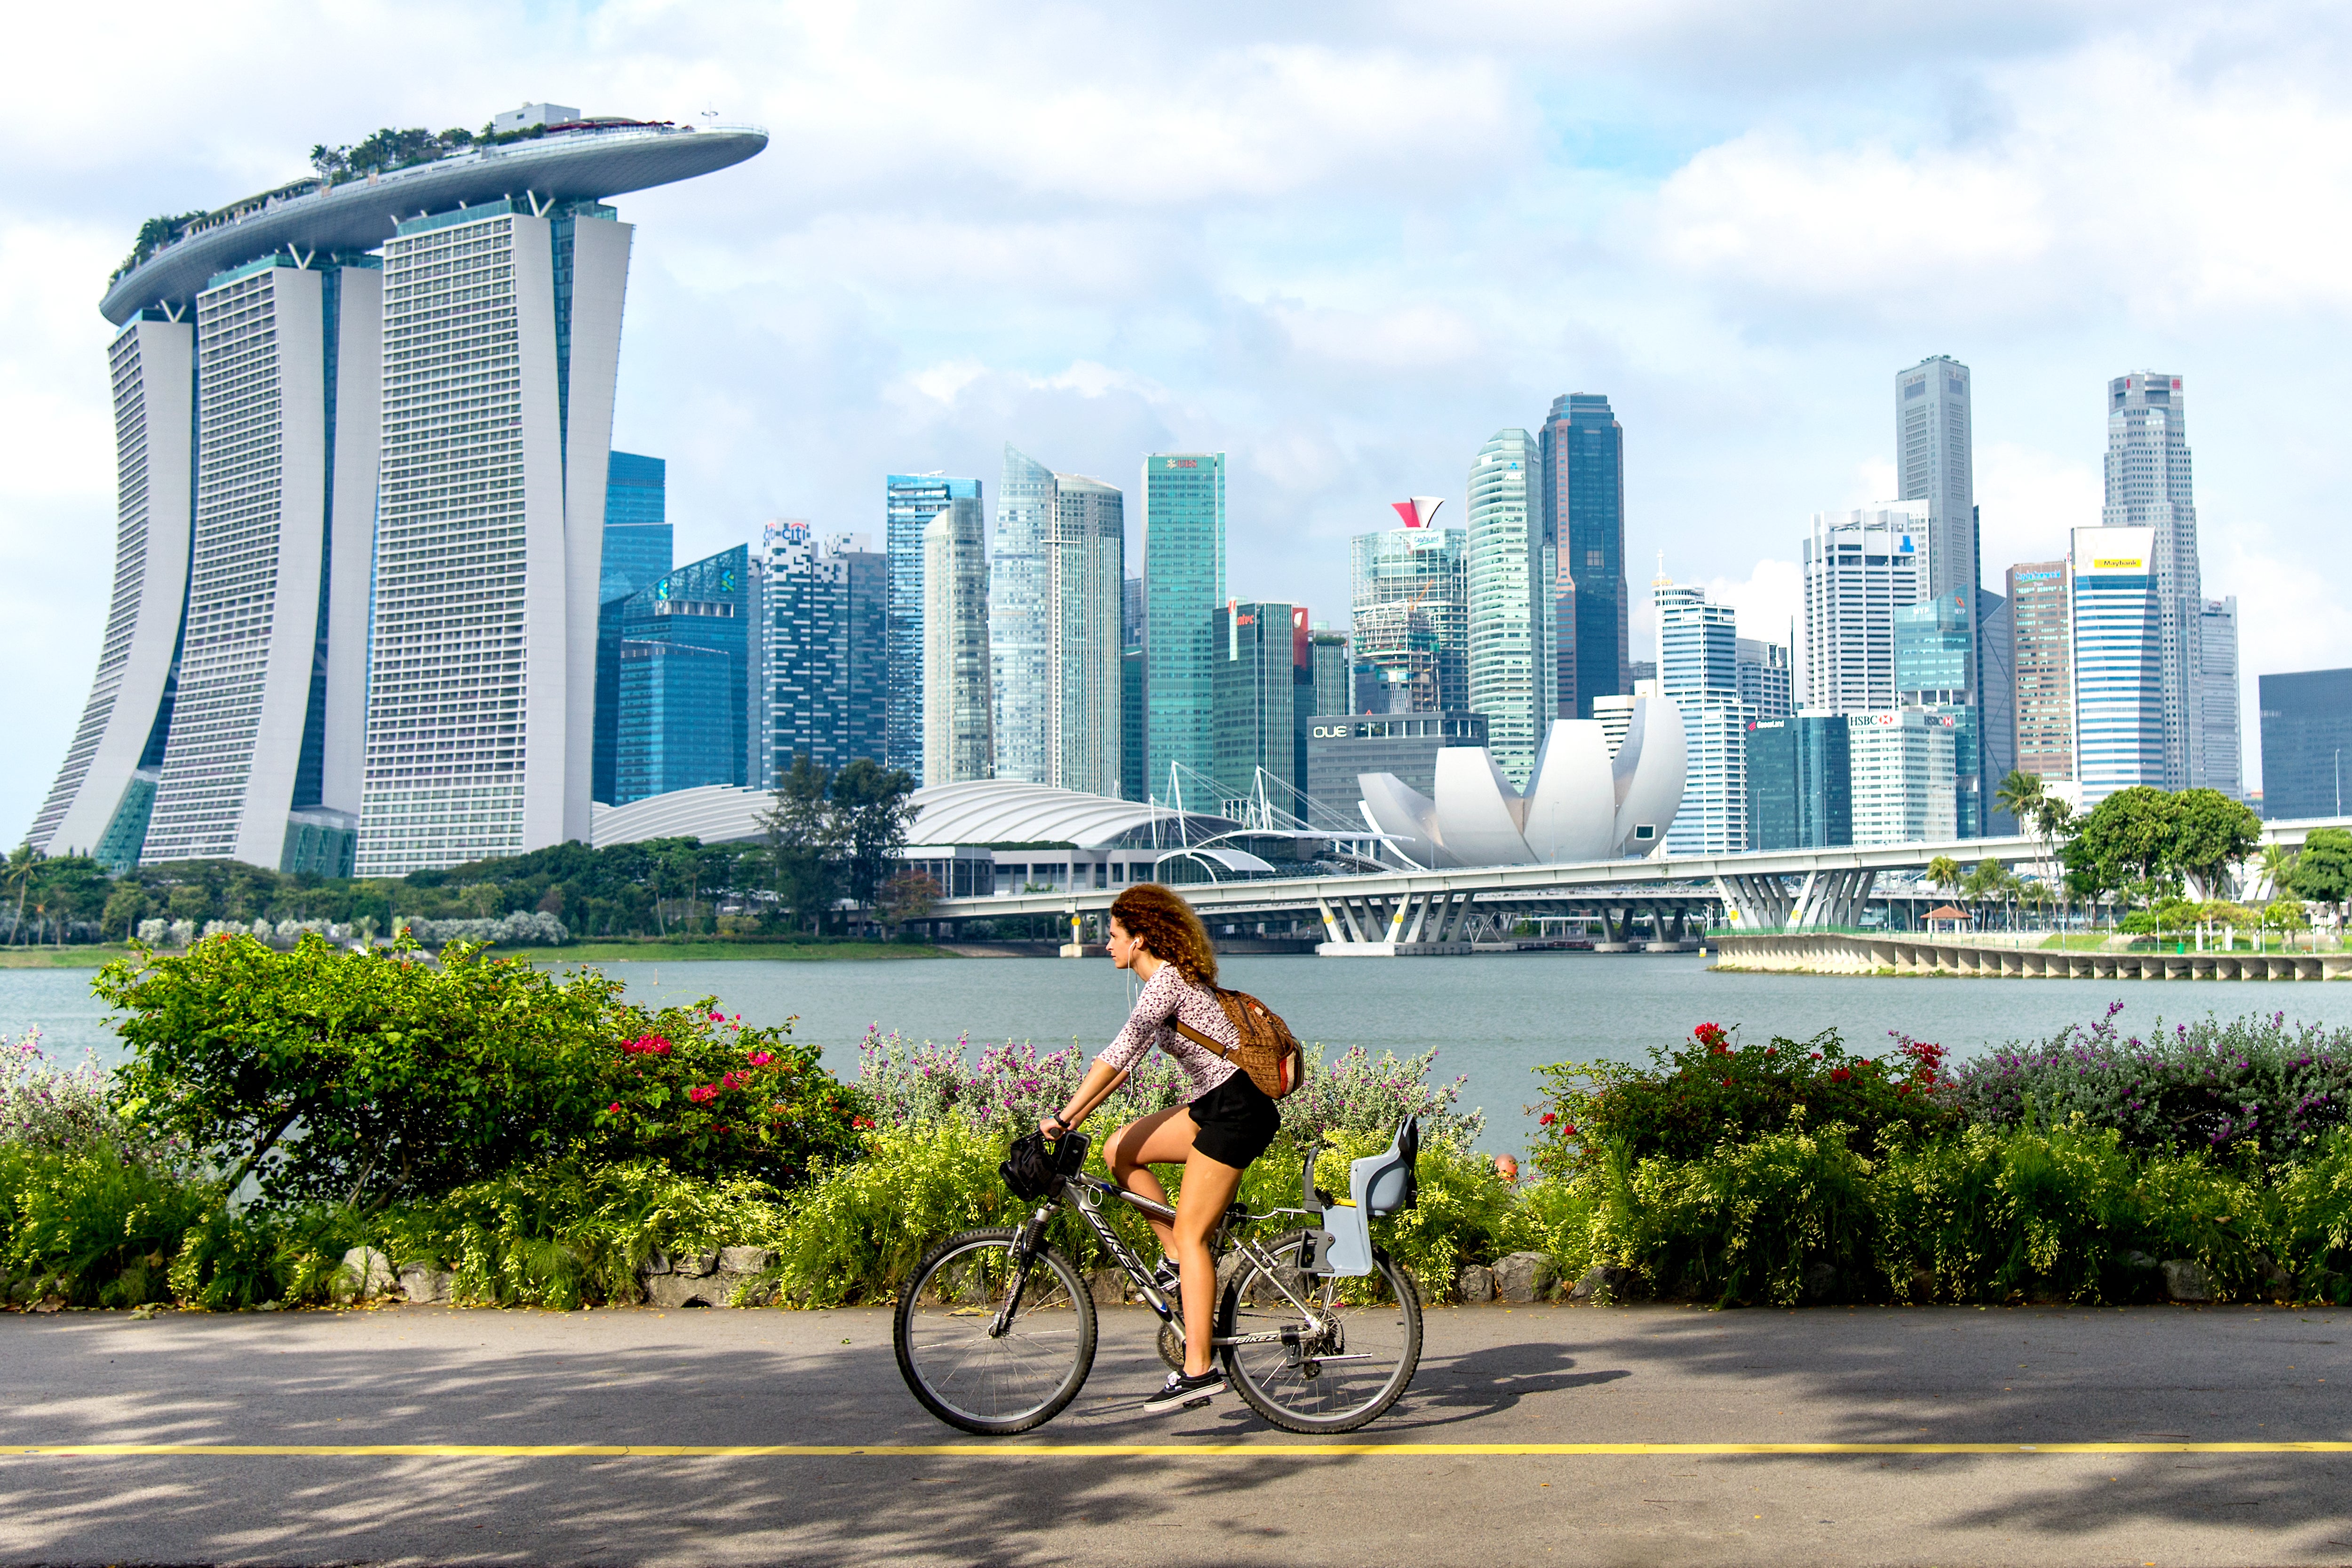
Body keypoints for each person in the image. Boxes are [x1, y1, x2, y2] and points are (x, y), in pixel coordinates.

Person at [1040, 883, 1280, 1416]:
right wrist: (1074, 1118)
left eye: (1113, 936)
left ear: (1140, 938)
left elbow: (1117, 1052)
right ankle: (1174, 1258)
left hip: (1235, 1110)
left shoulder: (1166, 983)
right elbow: (1121, 1070)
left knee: (1195, 1235)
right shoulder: (1168, 982)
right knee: (1119, 1152)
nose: (1106, 945)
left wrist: (1059, 1116)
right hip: (1212, 1106)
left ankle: (1198, 1371)